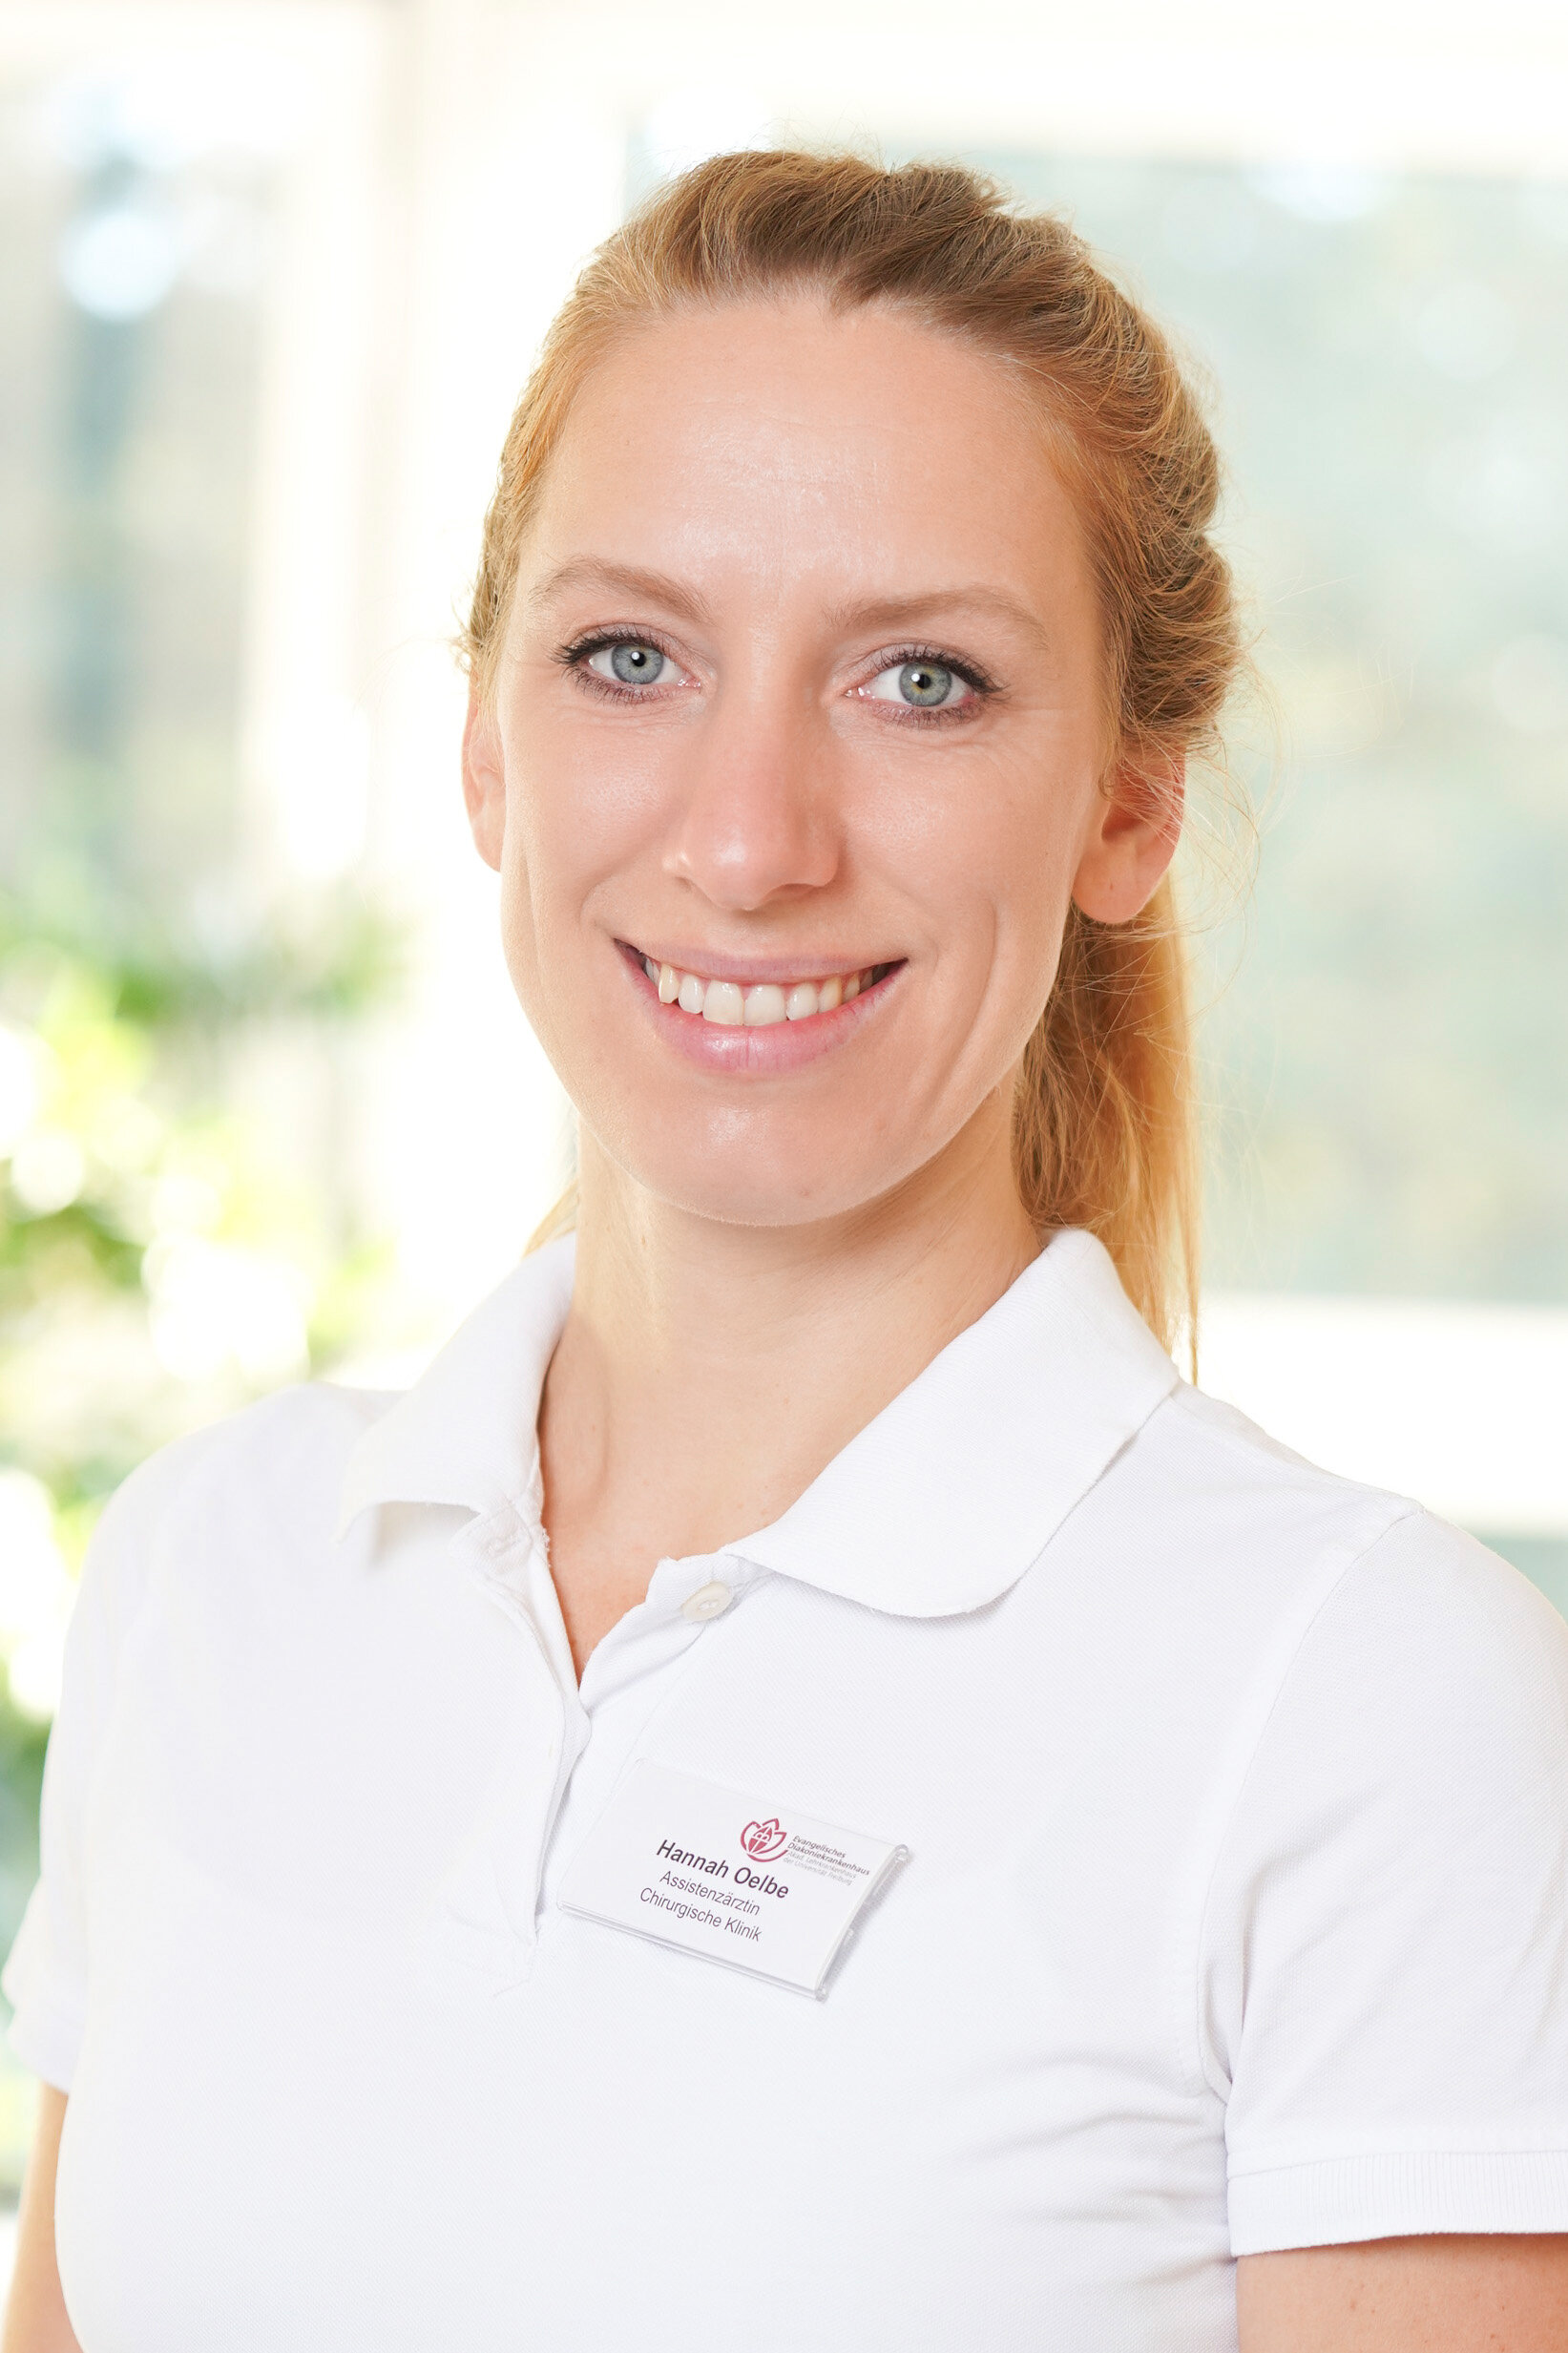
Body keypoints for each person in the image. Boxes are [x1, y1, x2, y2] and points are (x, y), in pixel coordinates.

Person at [3, 151, 1566, 2353]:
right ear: (485, 748)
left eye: (922, 680)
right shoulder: (215, 1562)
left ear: (1131, 802)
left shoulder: (1370, 1704)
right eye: (629, 657)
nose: (748, 843)